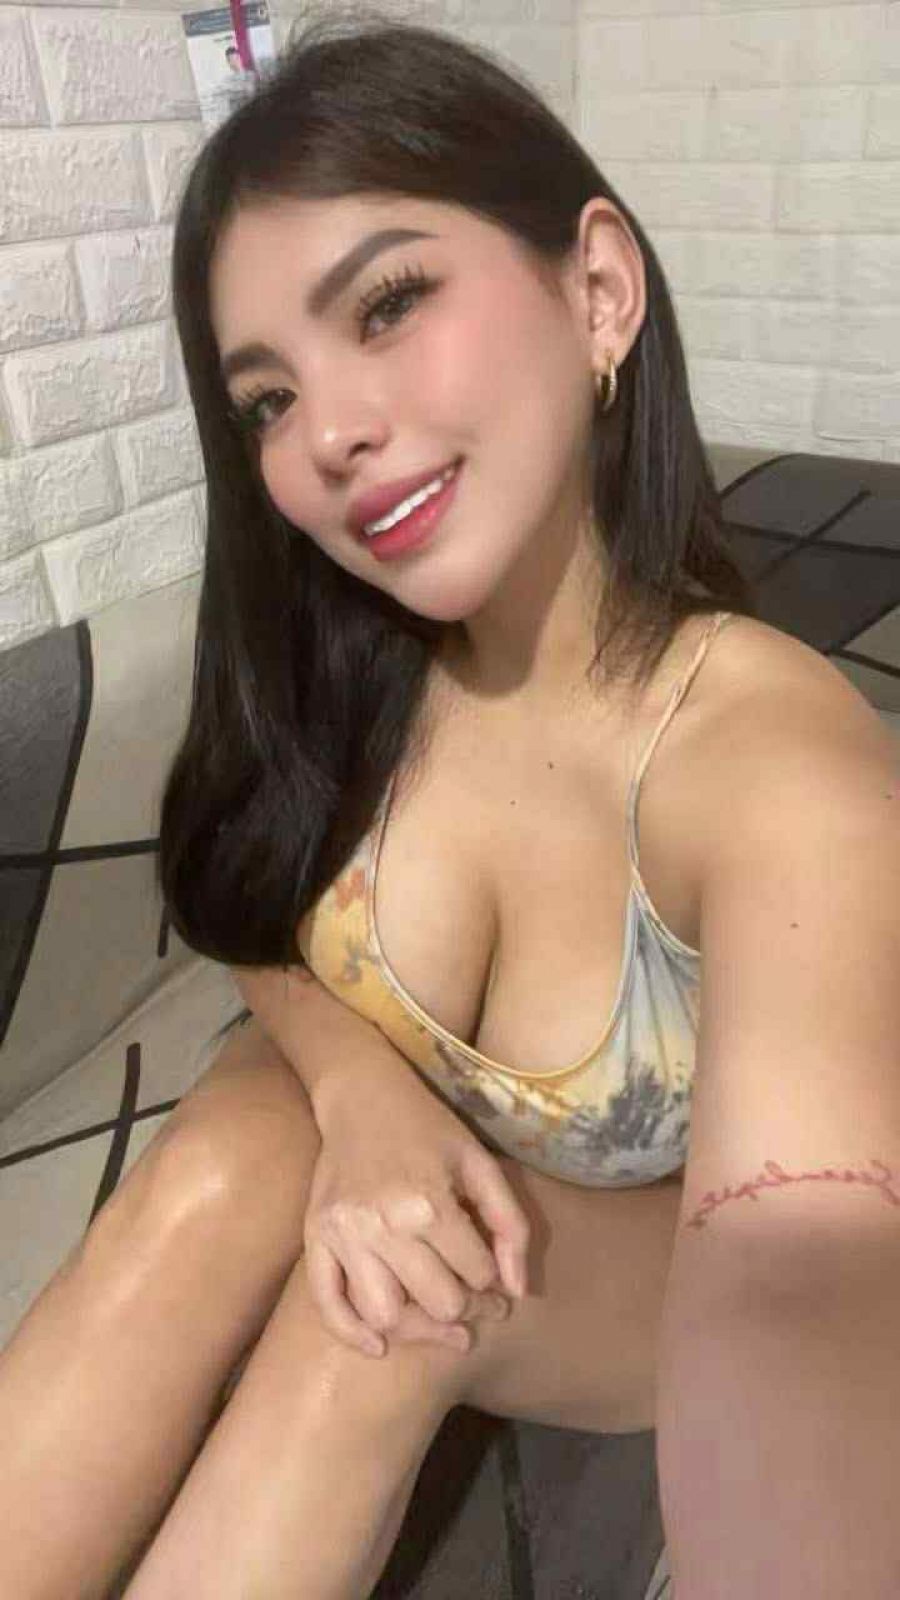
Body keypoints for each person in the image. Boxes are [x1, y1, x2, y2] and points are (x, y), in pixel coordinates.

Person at [2, 6, 897, 1597]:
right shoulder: (355, 657)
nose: (330, 434)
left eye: (391, 302)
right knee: (207, 1178)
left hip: (636, 1262)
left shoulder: (778, 770)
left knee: (394, 1311)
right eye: (266, 399)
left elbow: (804, 1275)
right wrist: (365, 1100)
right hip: (344, 1131)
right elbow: (253, 913)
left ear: (597, 288)